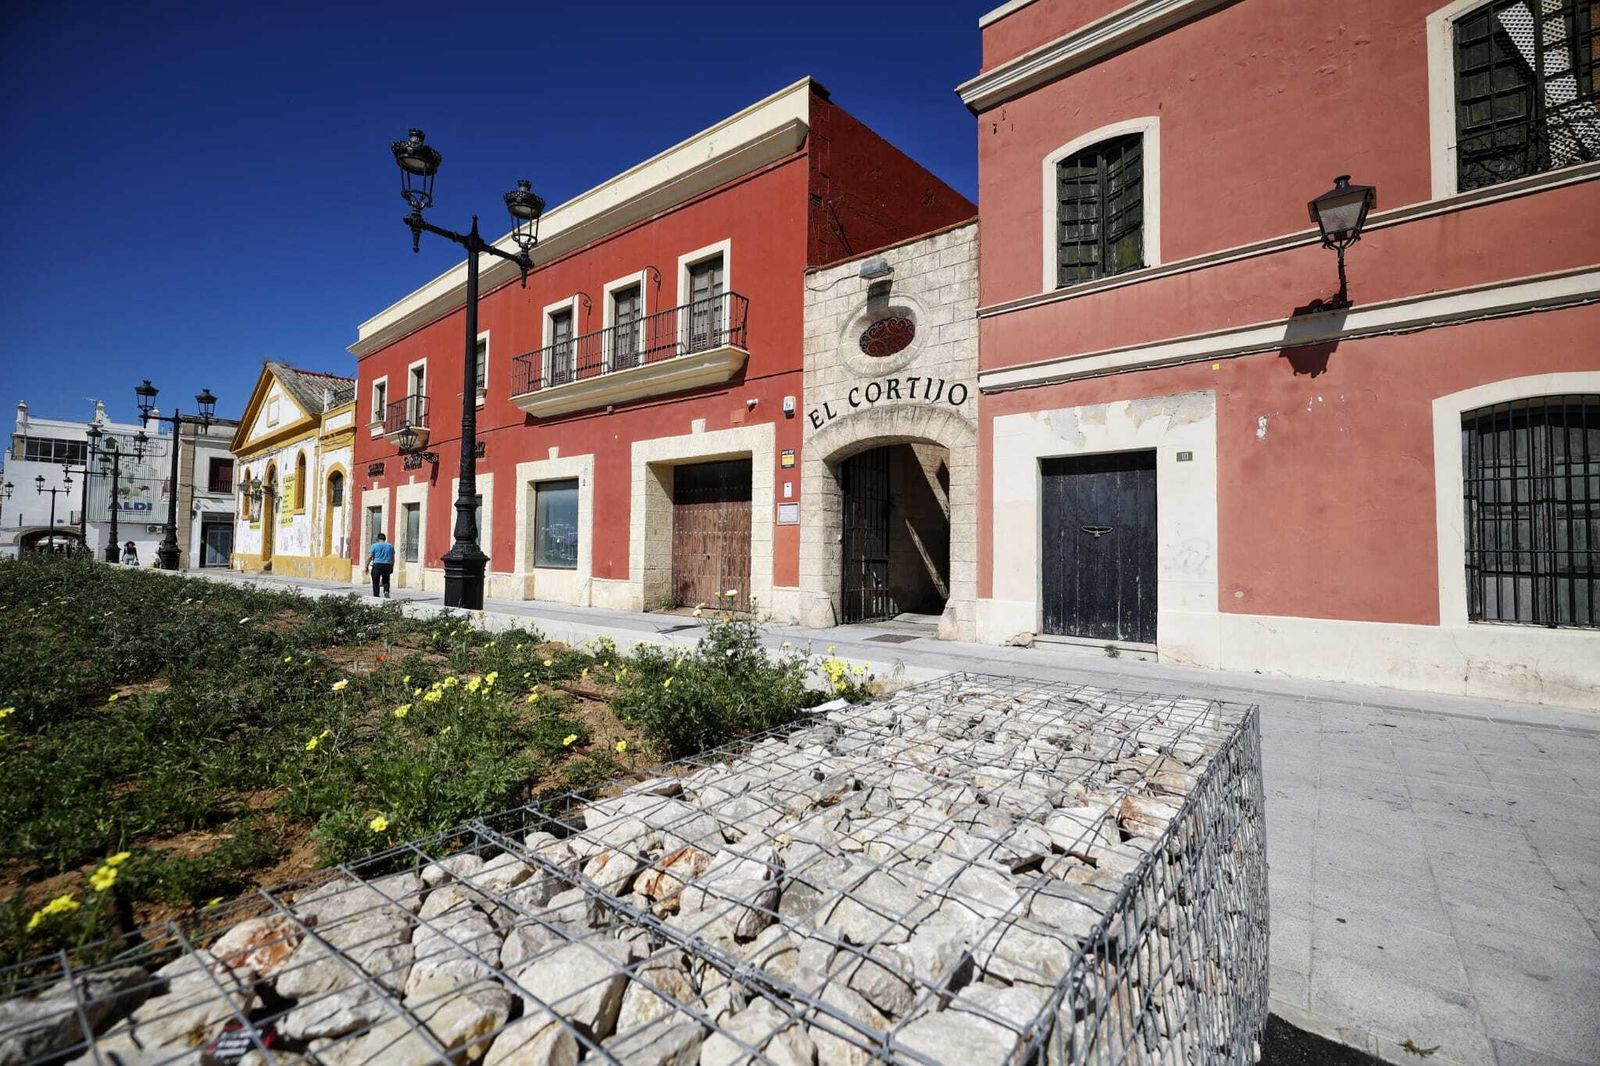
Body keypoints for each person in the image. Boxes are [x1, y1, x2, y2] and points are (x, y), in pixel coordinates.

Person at [366, 532, 395, 598]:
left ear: (378, 539)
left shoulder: (374, 546)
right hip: (387, 565)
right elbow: (392, 558)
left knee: (375, 580)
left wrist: (366, 566)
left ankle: (376, 594)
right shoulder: (390, 546)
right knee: (386, 580)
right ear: (385, 538)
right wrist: (392, 566)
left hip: (377, 565)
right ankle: (386, 591)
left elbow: (370, 556)